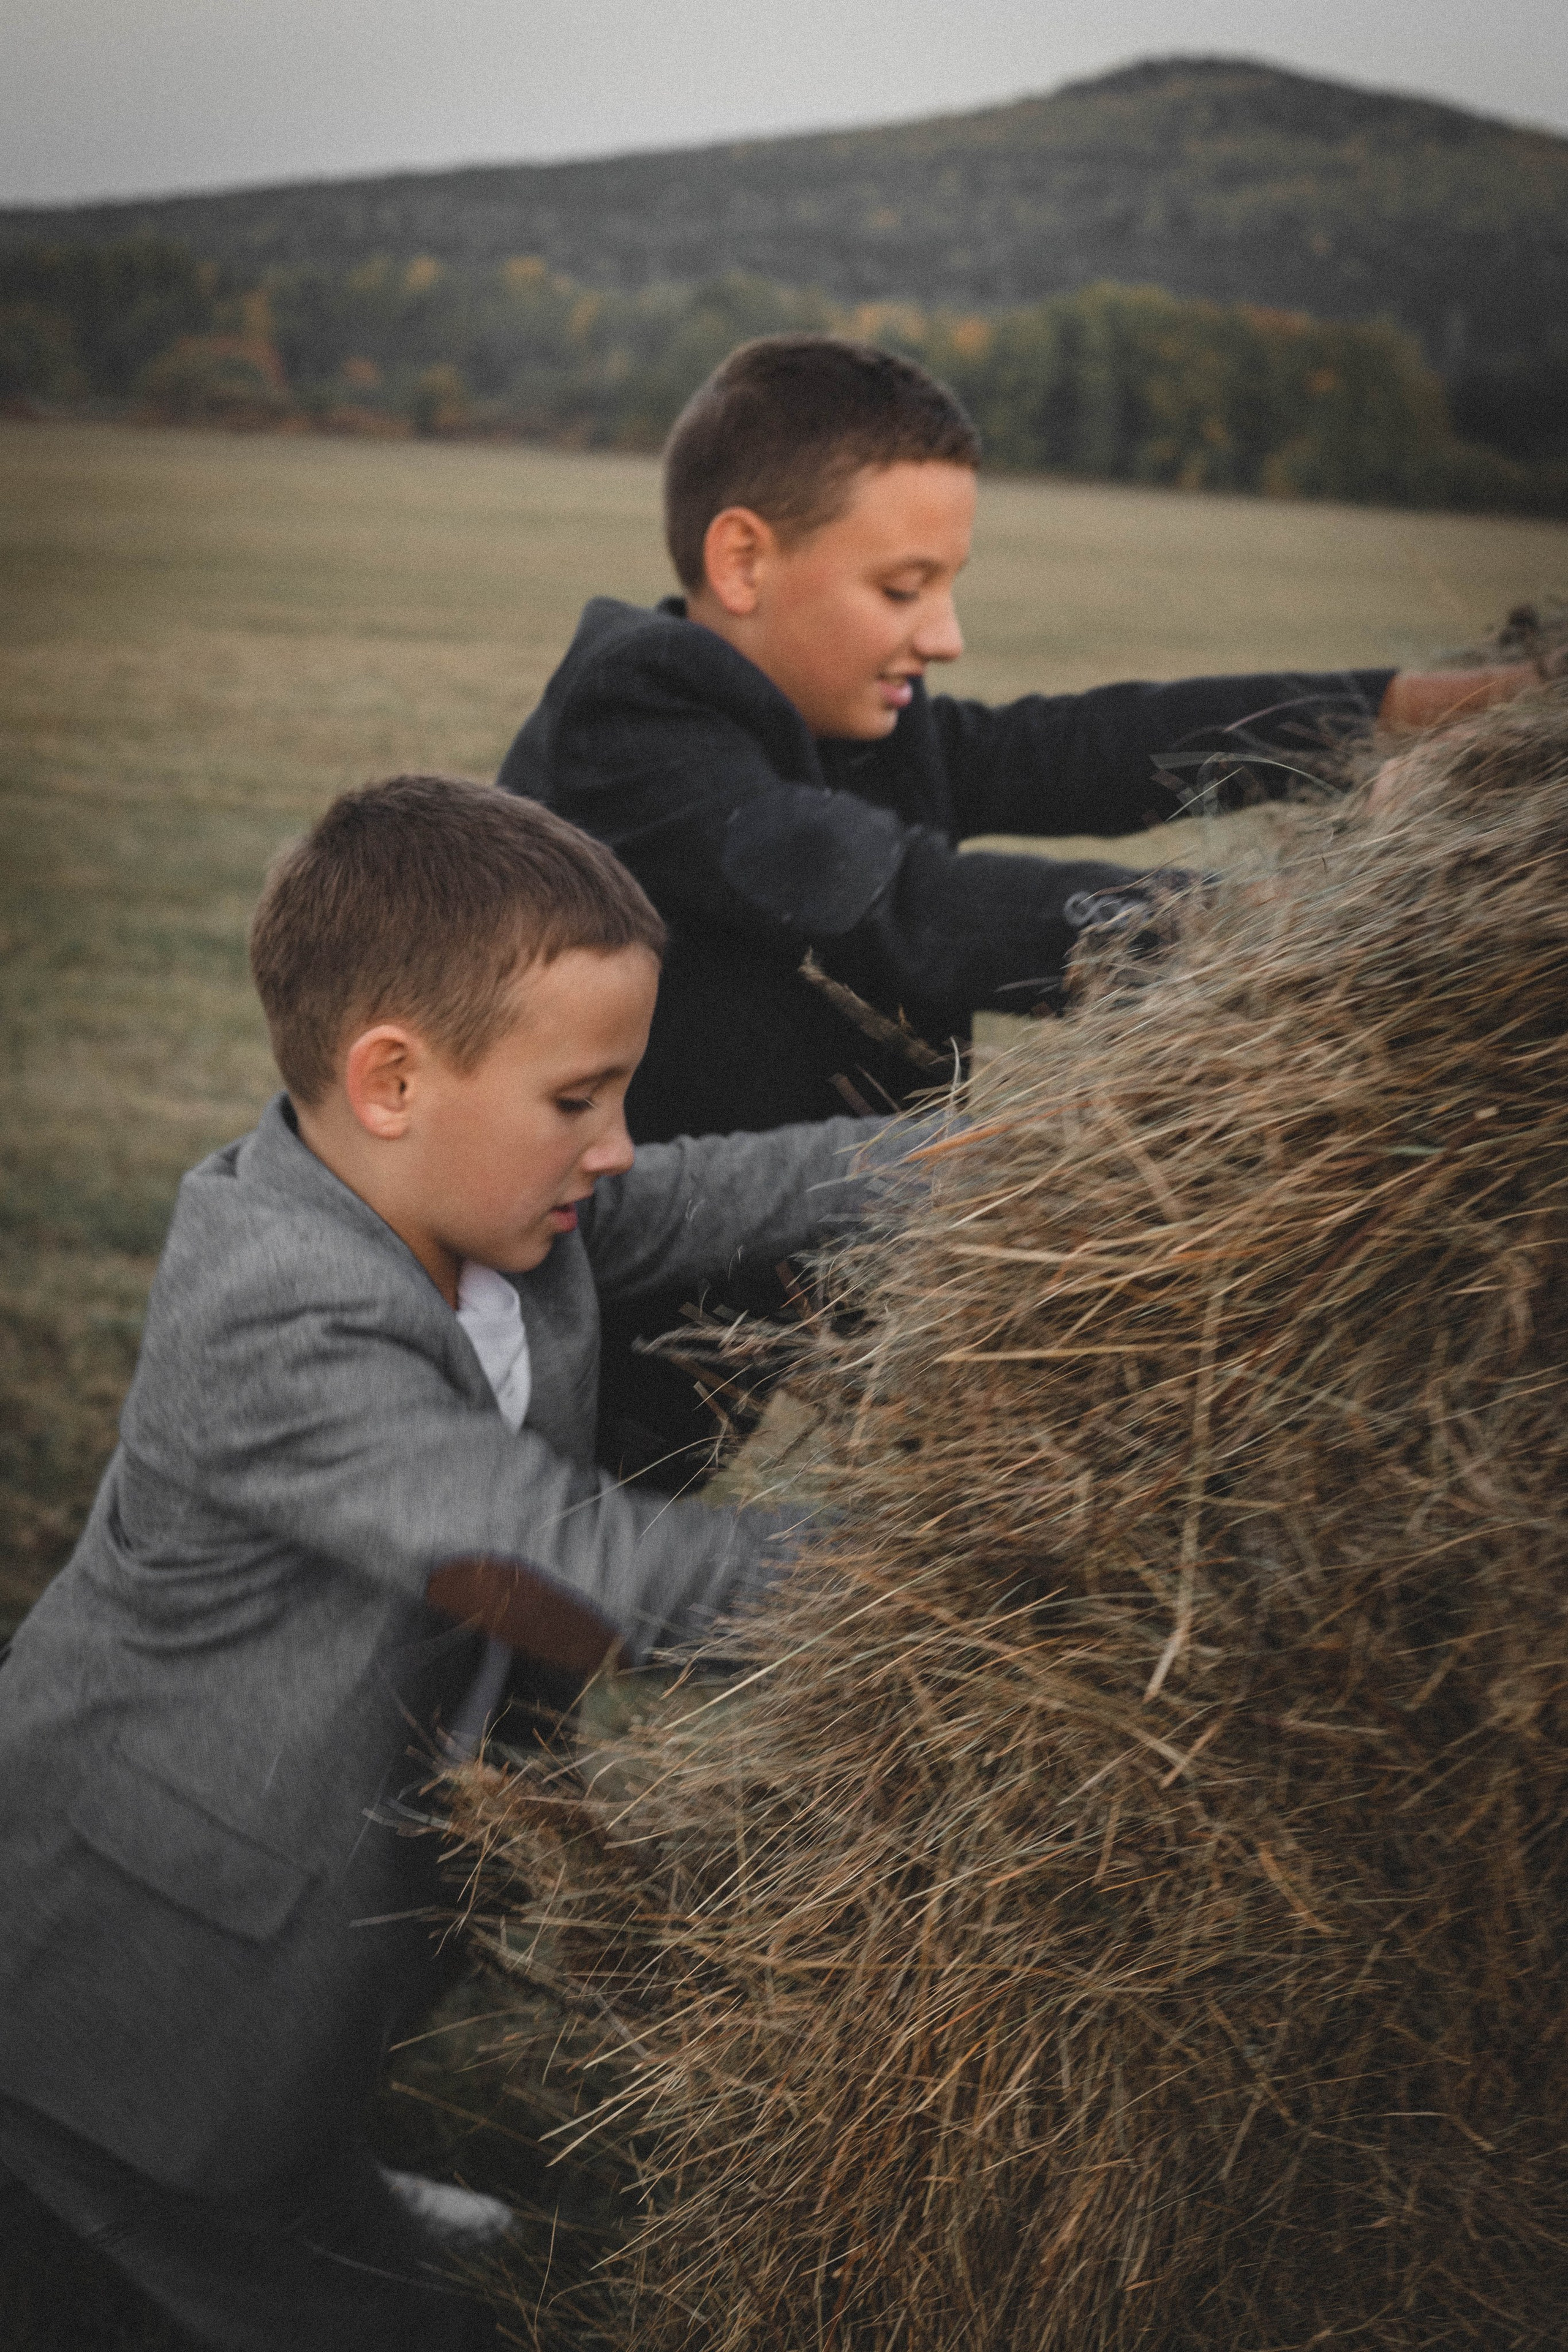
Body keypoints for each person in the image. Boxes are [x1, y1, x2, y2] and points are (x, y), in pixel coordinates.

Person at [0, 776, 894, 2352]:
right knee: (263, 2283)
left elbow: (727, 1188)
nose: (617, 1149)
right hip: (123, 1986)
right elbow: (567, 1564)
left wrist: (1001, 1154)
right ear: (393, 1079)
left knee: (310, 2078)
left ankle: (318, 2167)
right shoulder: (276, 1312)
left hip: (309, 1911)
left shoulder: (490, 1211)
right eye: (579, 1101)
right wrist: (953, 1581)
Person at [497, 333, 1537, 1471]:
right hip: (528, 1345)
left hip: (671, 1357)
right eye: (903, 588)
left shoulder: (838, 730)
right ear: (742, 561)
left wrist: (1400, 707)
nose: (943, 637)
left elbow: (1081, 745)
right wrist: (1268, 933)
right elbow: (904, 907)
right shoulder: (636, 729)